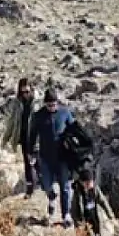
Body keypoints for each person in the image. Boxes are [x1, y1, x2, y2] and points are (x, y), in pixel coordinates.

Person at [28, 89, 77, 227]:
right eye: (49, 105)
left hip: (62, 157)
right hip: (45, 157)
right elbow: (32, 135)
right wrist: (31, 151)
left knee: (65, 186)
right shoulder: (38, 116)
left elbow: (74, 130)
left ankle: (66, 214)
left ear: (57, 103)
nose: (52, 108)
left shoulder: (65, 113)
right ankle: (51, 196)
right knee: (46, 183)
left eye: (54, 105)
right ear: (45, 104)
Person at [0, 78, 39, 197]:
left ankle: (44, 184)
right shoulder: (17, 103)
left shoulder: (37, 103)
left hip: (35, 138)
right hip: (23, 137)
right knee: (28, 164)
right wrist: (6, 138)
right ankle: (30, 189)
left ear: (31, 89)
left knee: (38, 162)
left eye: (27, 92)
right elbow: (12, 121)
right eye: (22, 92)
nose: (25, 95)